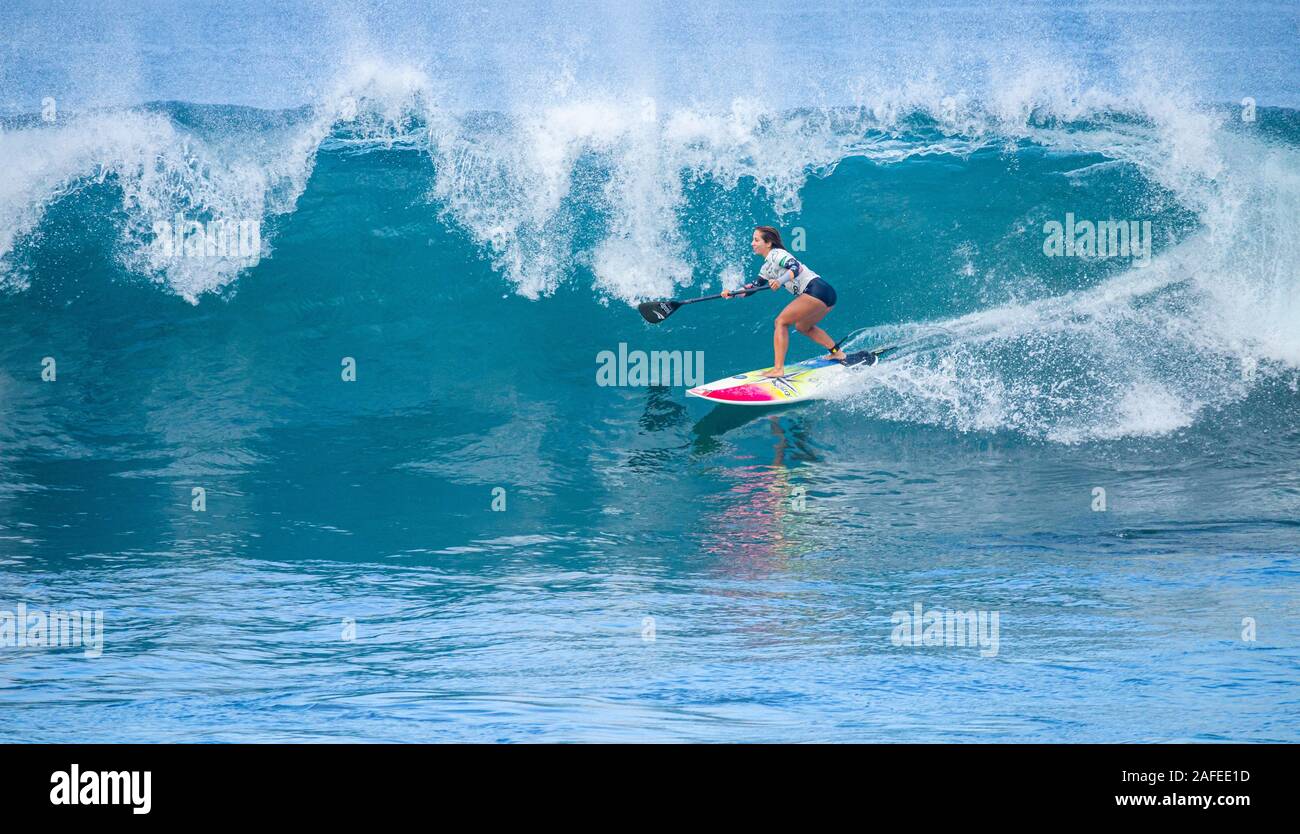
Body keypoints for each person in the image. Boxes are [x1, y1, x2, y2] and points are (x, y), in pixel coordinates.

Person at [723, 225, 843, 377]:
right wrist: (732, 293)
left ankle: (778, 369)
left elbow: (795, 267)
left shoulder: (777, 254)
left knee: (781, 322)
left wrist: (780, 281)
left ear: (768, 243)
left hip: (816, 290)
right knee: (802, 327)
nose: (752, 243)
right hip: (826, 294)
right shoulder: (767, 267)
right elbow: (753, 288)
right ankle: (836, 353)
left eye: (756, 240)